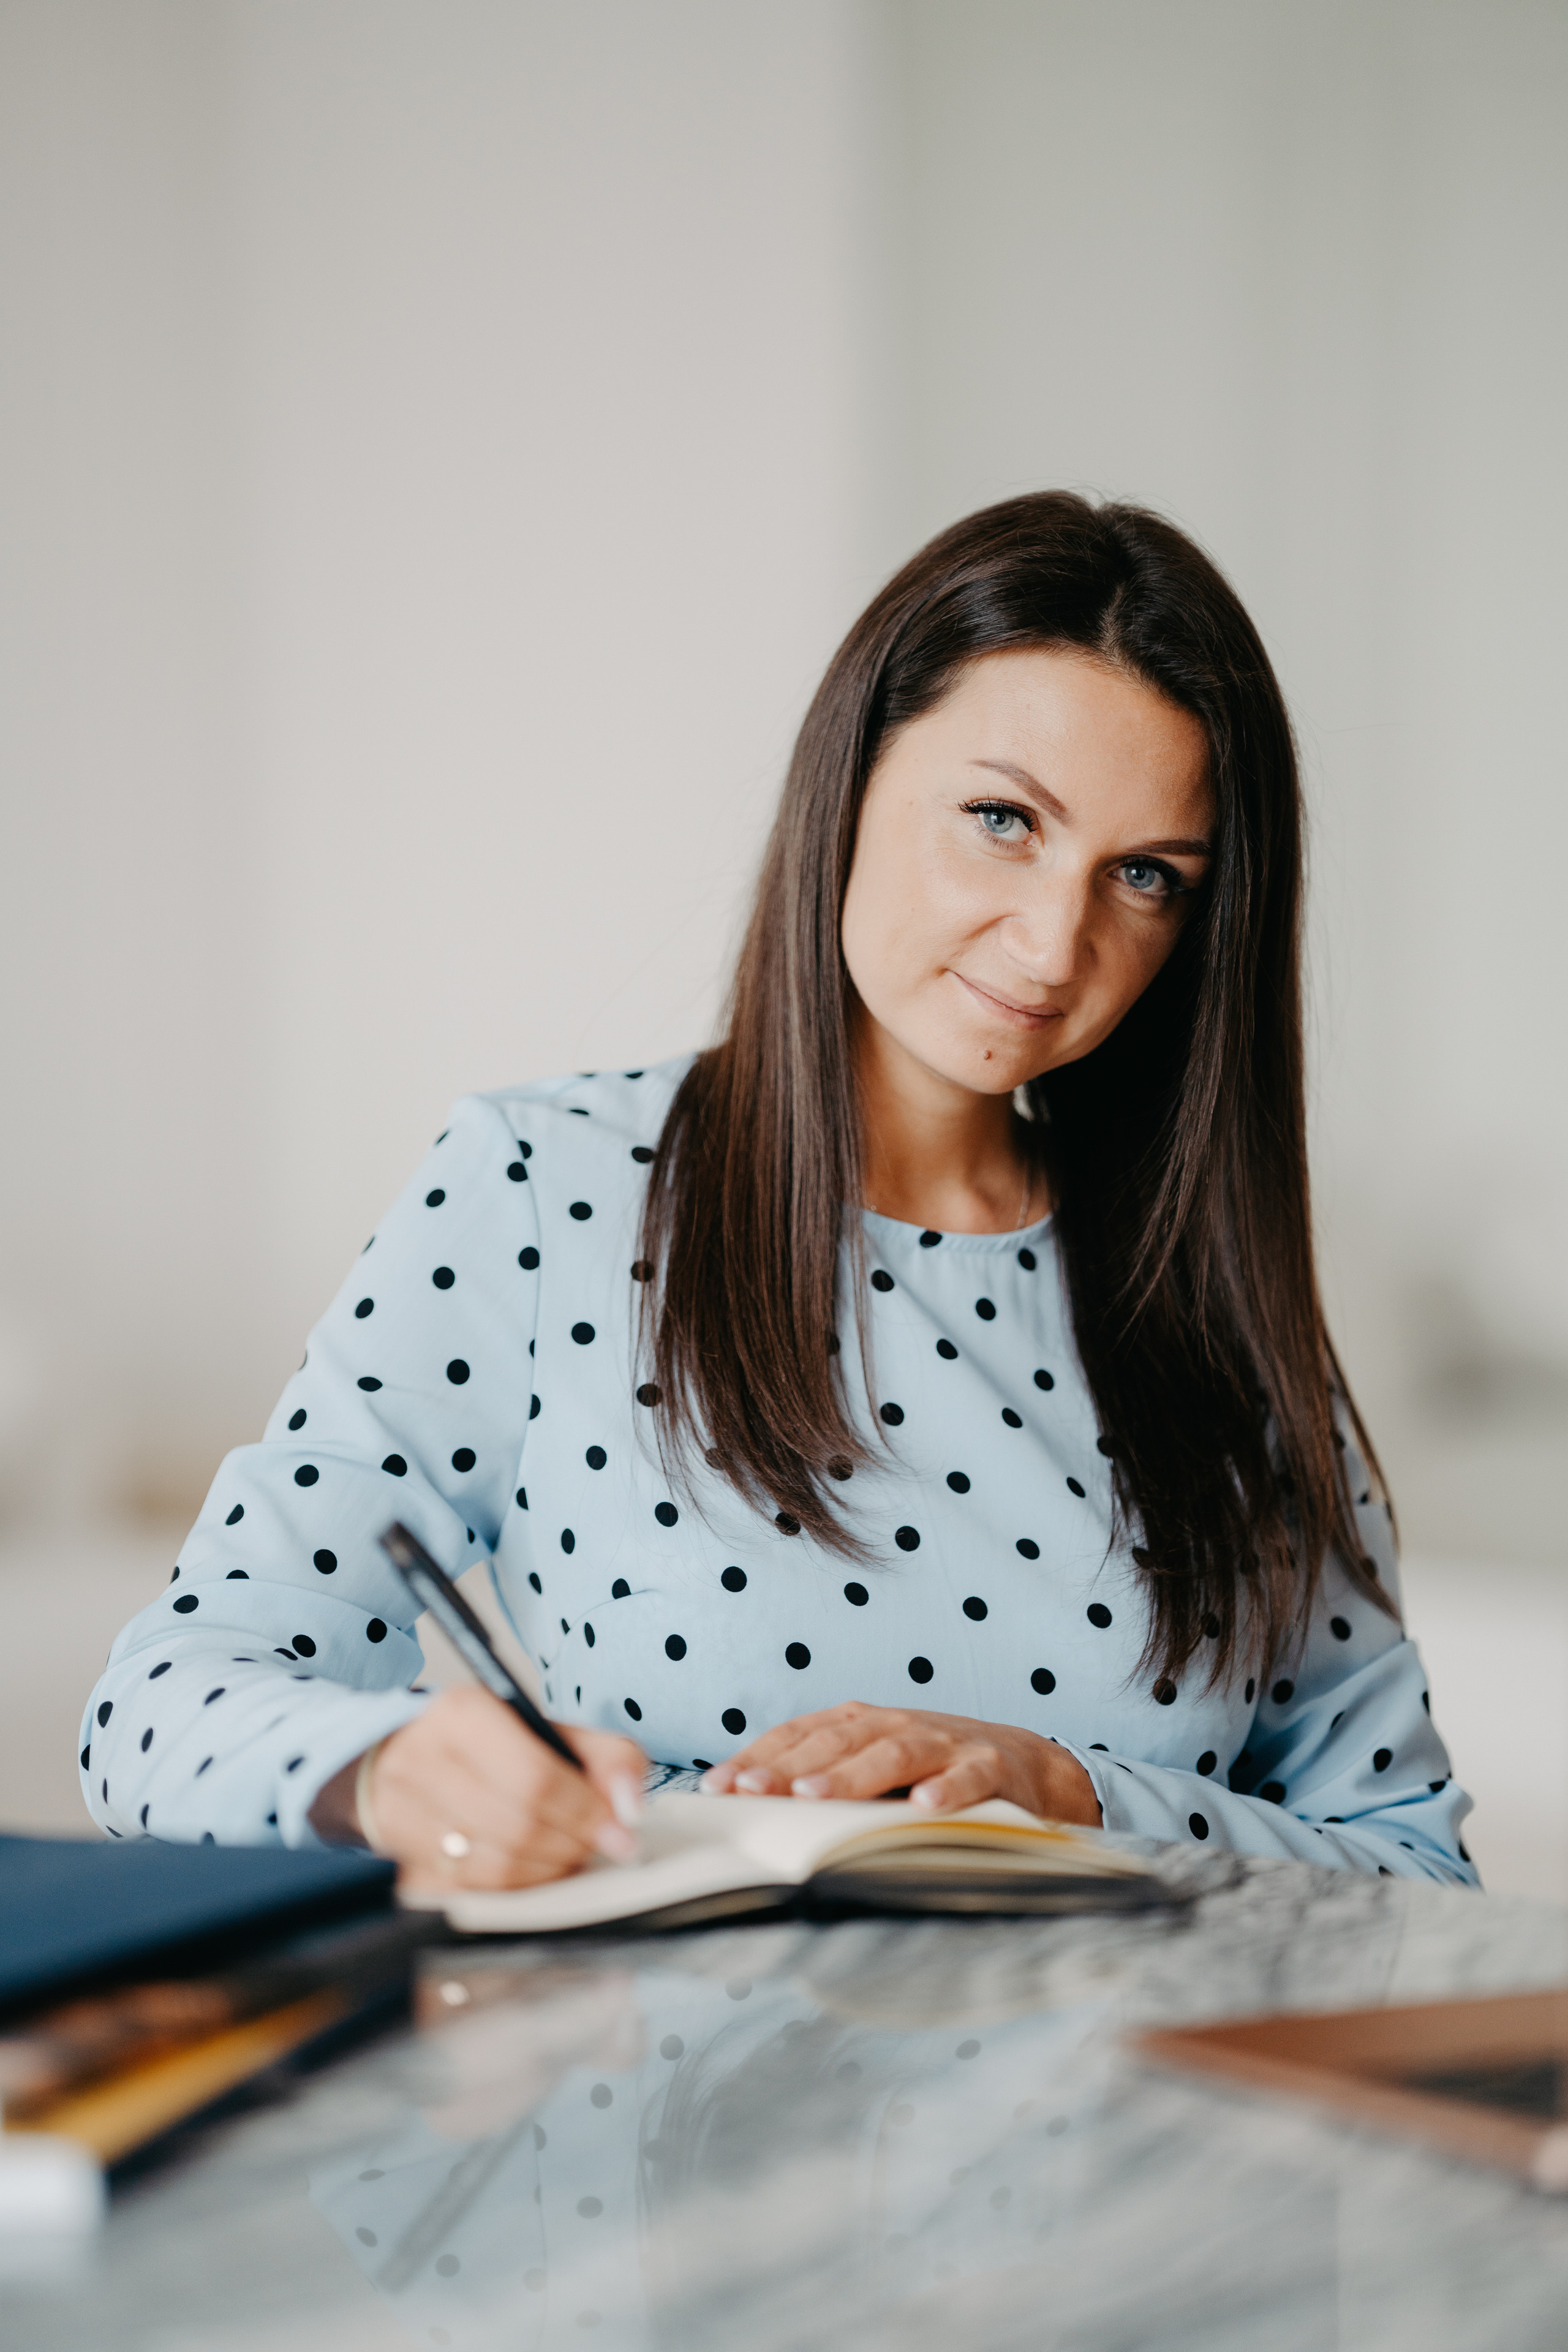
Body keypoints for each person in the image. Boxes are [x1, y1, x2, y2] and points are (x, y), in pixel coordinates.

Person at [80, 493, 1476, 1891]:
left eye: (1148, 877)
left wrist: (1069, 1793)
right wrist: (387, 1776)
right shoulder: (548, 1189)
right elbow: (155, 1714)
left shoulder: (1201, 1288)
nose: (1057, 943)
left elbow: (1411, 1873)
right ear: (846, 781)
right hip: (657, 2033)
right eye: (1002, 820)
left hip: (1145, 2043)